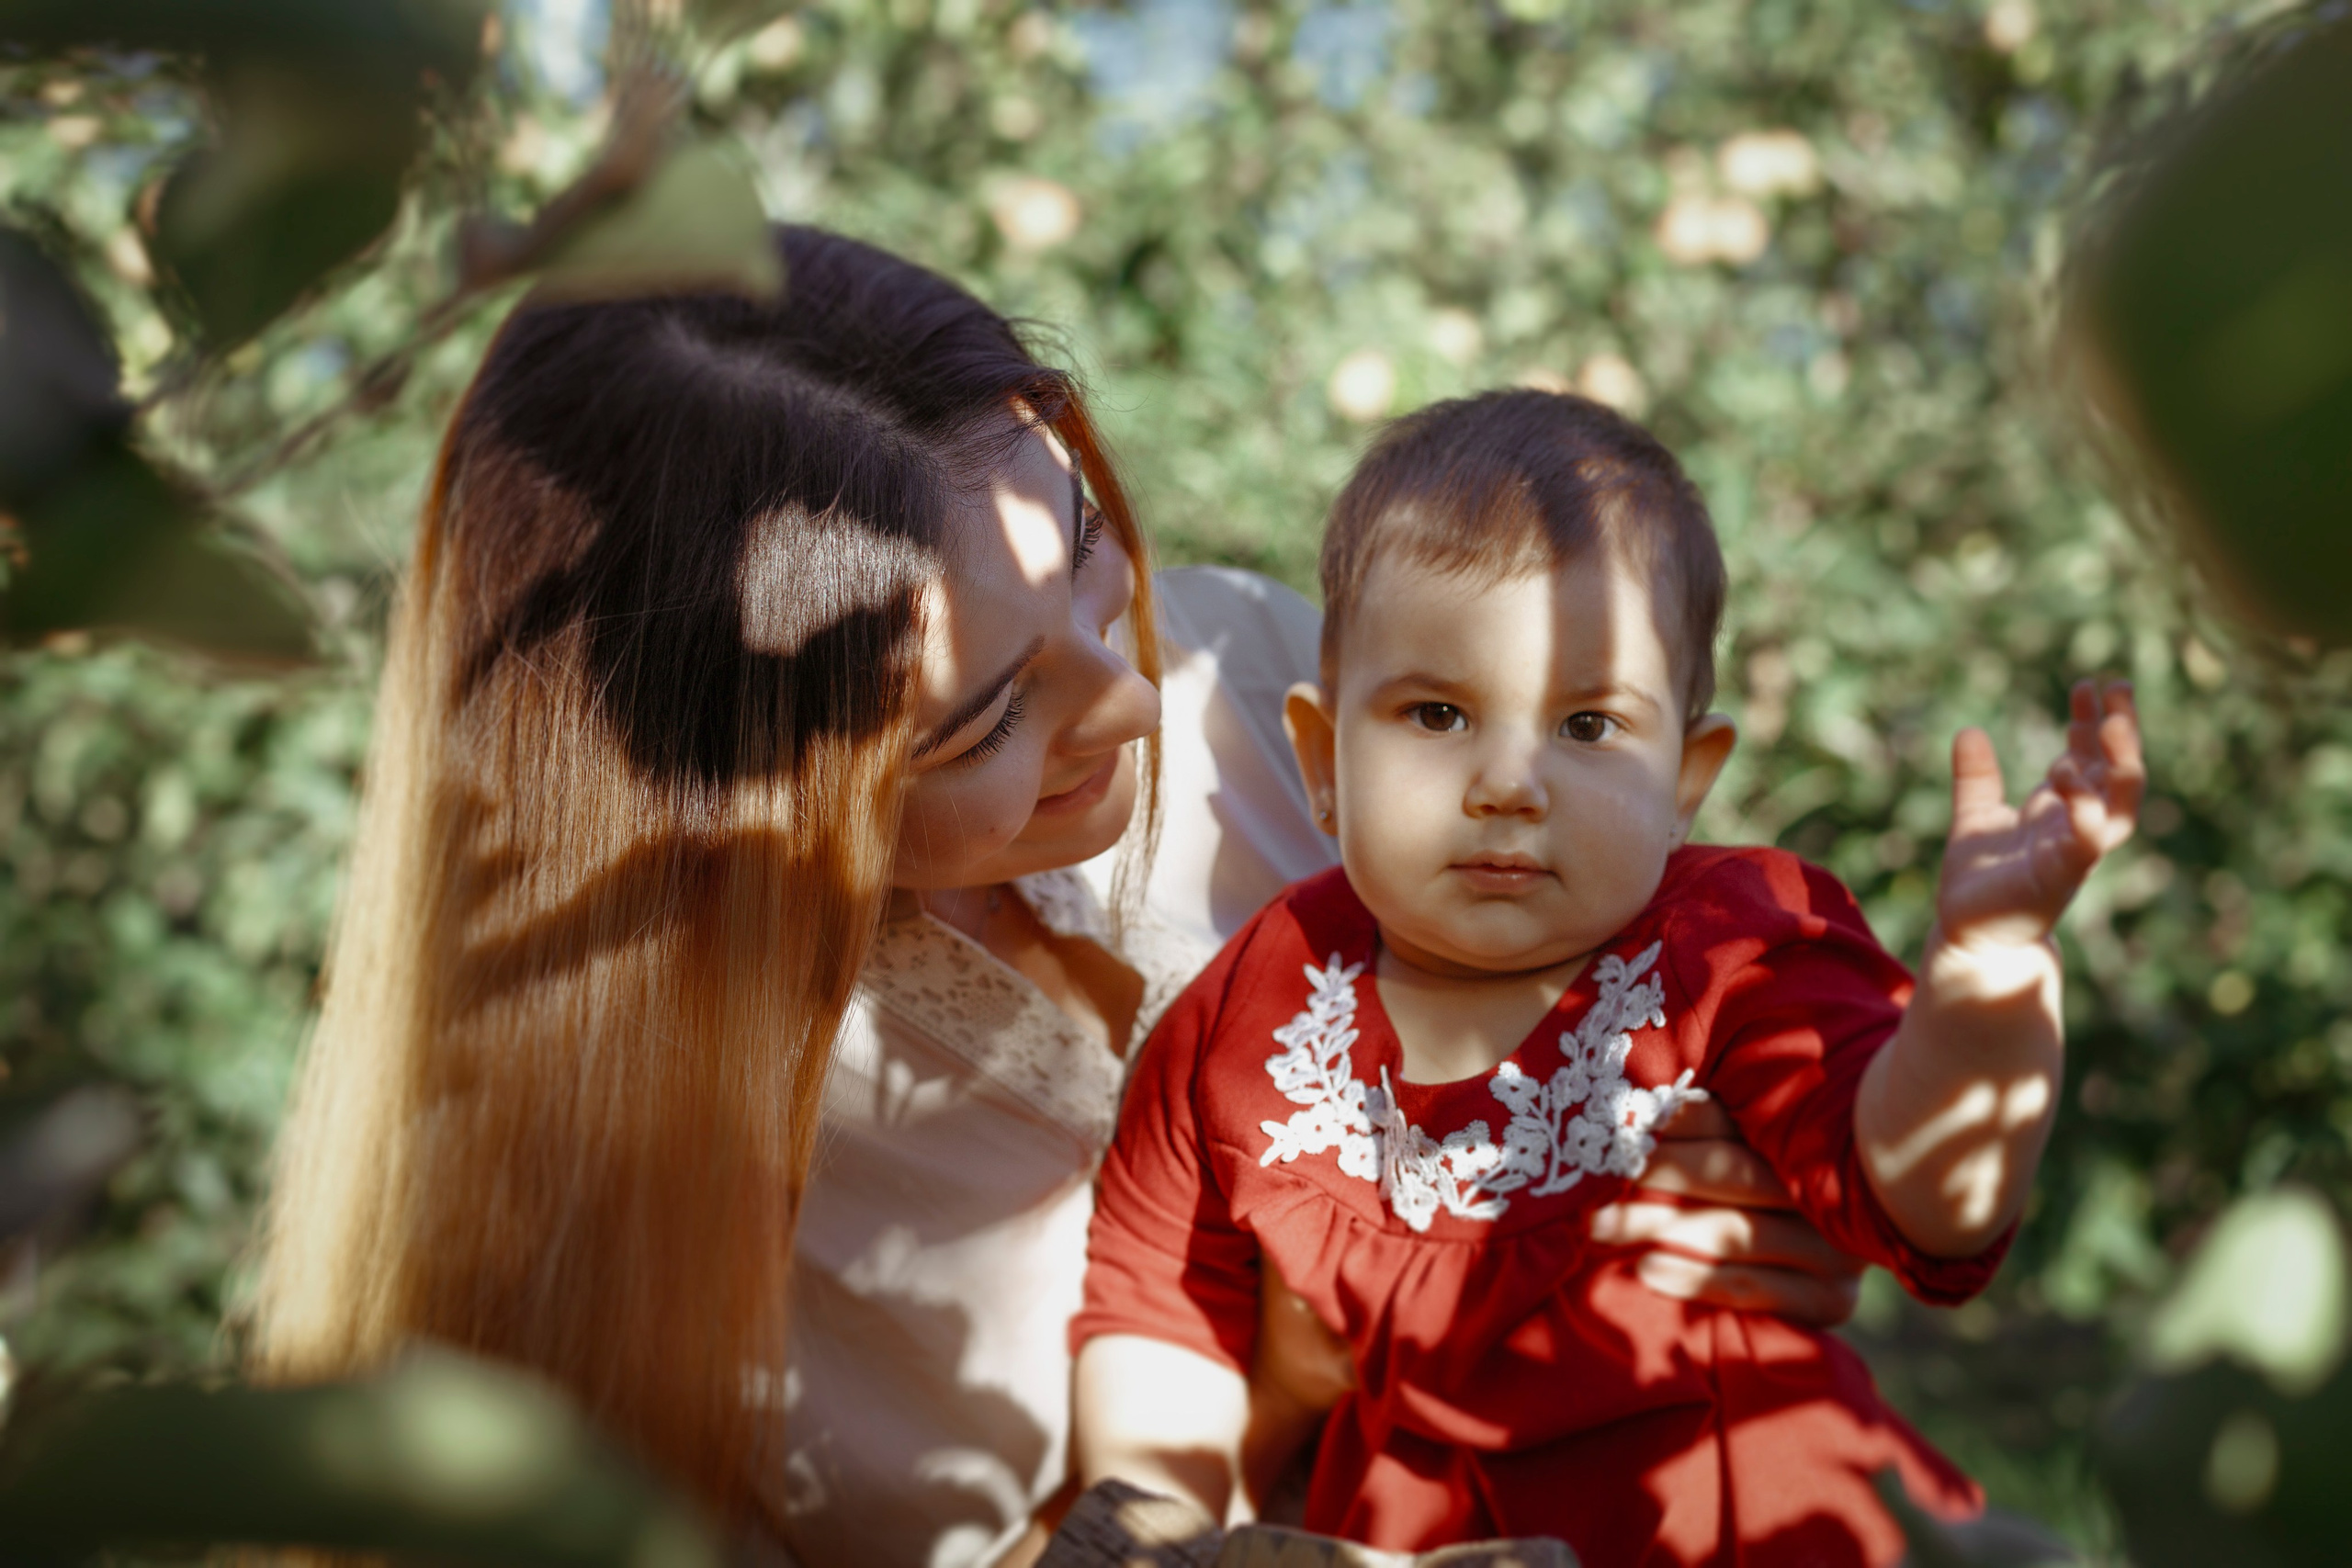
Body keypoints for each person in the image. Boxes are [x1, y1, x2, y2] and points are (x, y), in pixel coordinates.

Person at [250, 230, 1879, 1567]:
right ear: (727, 799)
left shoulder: (1267, 694)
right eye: (980, 717)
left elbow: (1680, 996)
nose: (1122, 694)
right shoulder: (630, 1191)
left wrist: (1786, 1197)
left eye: (1088, 539)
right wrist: (1276, 1390)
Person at [1071, 390, 2143, 1566]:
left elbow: (1923, 1199)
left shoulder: (1735, 949)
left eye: (1587, 727)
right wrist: (1158, 1530)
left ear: (1686, 778)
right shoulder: (1256, 1010)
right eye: (1437, 712)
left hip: (1744, 1520)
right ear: (1325, 760)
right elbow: (1160, 1315)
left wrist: (1985, 978)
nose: (1508, 782)